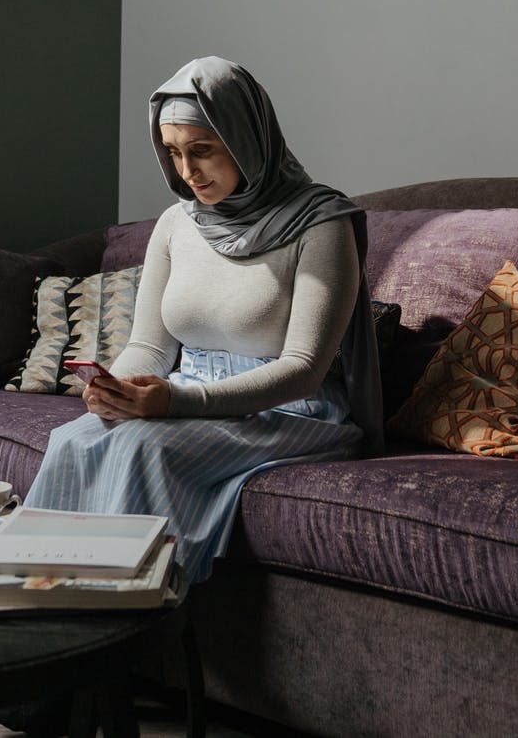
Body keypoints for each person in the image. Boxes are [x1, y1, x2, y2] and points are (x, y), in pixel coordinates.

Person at [20, 55, 381, 584]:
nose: (186, 173)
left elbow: (304, 367)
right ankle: (40, 596)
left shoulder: (321, 223)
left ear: (246, 138)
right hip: (187, 391)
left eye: (203, 151)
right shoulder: (175, 223)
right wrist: (116, 387)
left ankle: (130, 619)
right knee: (73, 439)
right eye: (172, 153)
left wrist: (176, 402)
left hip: (292, 410)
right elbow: (150, 344)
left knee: (146, 448)